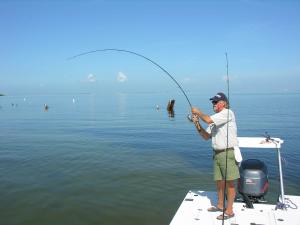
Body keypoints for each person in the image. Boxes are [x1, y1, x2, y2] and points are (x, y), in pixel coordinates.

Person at [191, 92, 239, 220]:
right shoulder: (215, 119)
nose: (214, 104)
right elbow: (205, 136)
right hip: (217, 154)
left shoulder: (228, 113)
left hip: (227, 153)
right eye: (213, 102)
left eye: (216, 102)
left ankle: (229, 211)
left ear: (224, 103)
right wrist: (196, 123)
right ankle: (220, 205)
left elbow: (207, 119)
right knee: (219, 182)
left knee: (230, 183)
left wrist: (198, 112)